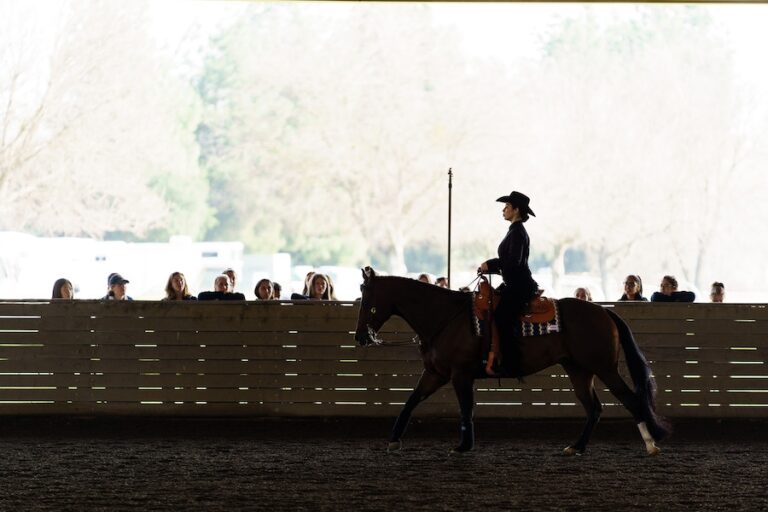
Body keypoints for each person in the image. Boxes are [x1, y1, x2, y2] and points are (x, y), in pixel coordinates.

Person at [478, 190, 539, 375]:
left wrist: (491, 264)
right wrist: (491, 267)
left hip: (519, 286)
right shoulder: (515, 231)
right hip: (514, 284)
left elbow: (514, 262)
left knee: (502, 318)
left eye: (506, 207)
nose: (503, 210)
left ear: (516, 210)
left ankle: (512, 363)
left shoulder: (518, 232)